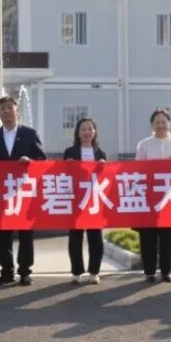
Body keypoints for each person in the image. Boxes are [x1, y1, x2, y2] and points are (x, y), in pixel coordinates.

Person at [0, 95, 46, 286]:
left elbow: (42, 160)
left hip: (24, 191)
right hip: (2, 192)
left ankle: (25, 271)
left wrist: (30, 161)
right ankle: (6, 272)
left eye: (9, 108)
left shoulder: (29, 134)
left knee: (26, 233)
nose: (6, 111)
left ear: (17, 111)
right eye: (2, 109)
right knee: (4, 234)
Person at [135, 108, 171, 283]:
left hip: (170, 197)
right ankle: (149, 271)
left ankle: (166, 270)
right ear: (152, 125)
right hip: (149, 196)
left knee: (168, 236)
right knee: (148, 236)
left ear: (169, 124)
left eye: (163, 121)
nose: (160, 125)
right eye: (157, 122)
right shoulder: (144, 144)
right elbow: (137, 168)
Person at [63, 117, 107, 284]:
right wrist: (67, 165)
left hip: (94, 199)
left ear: (94, 132)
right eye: (83, 129)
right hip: (76, 199)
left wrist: (103, 167)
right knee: (75, 237)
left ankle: (94, 272)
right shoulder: (70, 152)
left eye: (90, 129)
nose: (87, 132)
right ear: (78, 133)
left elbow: (106, 178)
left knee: (95, 237)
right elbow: (63, 175)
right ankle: (76, 271)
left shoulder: (100, 153)